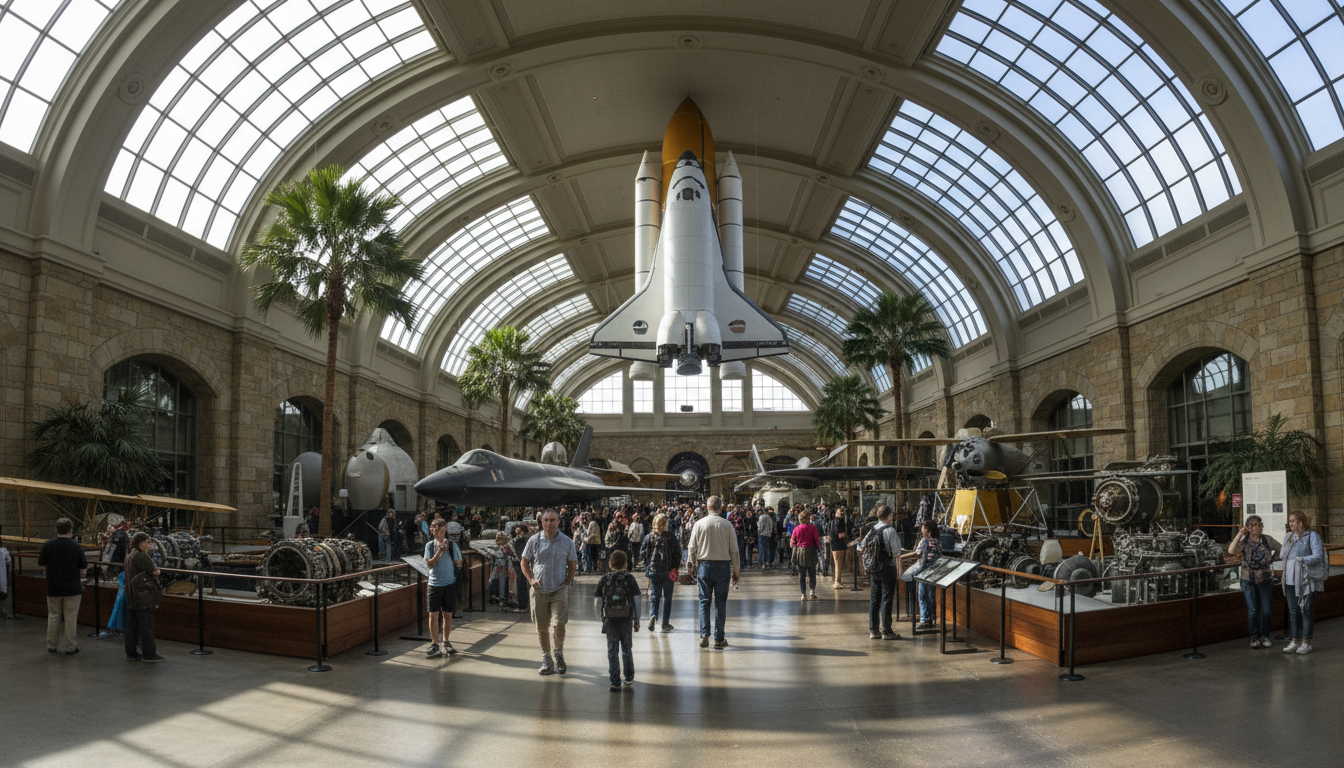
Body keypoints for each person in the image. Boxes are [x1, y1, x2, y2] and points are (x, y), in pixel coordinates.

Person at [521, 509, 578, 675]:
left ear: (558, 522)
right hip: (539, 589)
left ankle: (558, 653)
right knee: (542, 626)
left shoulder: (567, 542)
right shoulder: (534, 540)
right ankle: (546, 658)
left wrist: (568, 580)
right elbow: (524, 562)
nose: (549, 523)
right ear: (542, 522)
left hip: (559, 589)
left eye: (553, 520)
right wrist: (531, 579)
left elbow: (572, 563)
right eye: (546, 520)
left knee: (559, 624)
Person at [686, 495, 740, 648]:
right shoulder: (727, 525)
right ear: (721, 507)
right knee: (720, 603)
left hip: (704, 566)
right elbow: (734, 551)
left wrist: (691, 566)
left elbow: (692, 548)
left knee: (704, 602)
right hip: (723, 566)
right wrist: (736, 572)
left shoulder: (699, 524)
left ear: (707, 508)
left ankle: (704, 635)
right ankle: (719, 638)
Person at [1228, 514, 1280, 649]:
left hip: (1264, 579)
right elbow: (1231, 550)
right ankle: (1254, 637)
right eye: (1256, 525)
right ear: (1250, 528)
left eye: (1260, 524)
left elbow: (1281, 548)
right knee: (1252, 609)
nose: (1259, 527)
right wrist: (1239, 534)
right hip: (1248, 579)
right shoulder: (1244, 541)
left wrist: (1272, 559)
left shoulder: (1267, 540)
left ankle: (1266, 636)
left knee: (1266, 609)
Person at [37, 518, 87, 655]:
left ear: (56, 529)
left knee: (53, 616)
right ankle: (70, 646)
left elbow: (41, 563)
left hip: (53, 586)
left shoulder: (48, 545)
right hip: (72, 587)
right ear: (71, 529)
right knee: (70, 617)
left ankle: (51, 644)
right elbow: (83, 568)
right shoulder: (76, 546)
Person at [594, 549, 641, 691]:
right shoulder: (630, 578)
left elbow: (597, 600)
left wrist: (601, 619)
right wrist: (637, 620)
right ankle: (628, 676)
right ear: (625, 563)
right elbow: (637, 600)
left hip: (610, 618)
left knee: (612, 650)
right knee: (627, 649)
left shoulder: (604, 579)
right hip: (626, 618)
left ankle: (614, 681)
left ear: (610, 563)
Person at [1280, 510, 1326, 655]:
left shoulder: (1312, 536)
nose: (1290, 523)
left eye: (1293, 521)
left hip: (1305, 578)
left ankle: (1306, 641)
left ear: (1300, 522)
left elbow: (1318, 555)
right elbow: (1283, 555)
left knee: (1305, 609)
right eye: (1290, 521)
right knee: (1293, 610)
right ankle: (1294, 640)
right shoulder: (1288, 536)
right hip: (1289, 578)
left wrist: (1303, 560)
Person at [860, 505, 902, 640]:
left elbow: (861, 547)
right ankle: (887, 631)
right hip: (887, 568)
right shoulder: (890, 530)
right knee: (886, 599)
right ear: (889, 516)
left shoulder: (872, 529)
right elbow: (896, 552)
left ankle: (874, 630)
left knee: (874, 599)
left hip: (873, 568)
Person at [424, 518, 464, 659]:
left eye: (440, 530)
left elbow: (459, 562)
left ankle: (446, 641)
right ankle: (434, 643)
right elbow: (430, 564)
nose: (437, 533)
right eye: (434, 530)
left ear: (444, 530)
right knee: (433, 614)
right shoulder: (429, 546)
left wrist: (458, 563)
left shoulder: (453, 546)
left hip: (449, 583)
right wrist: (439, 552)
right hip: (434, 584)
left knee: (447, 614)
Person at [124, 532, 164, 662]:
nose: (150, 545)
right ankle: (149, 653)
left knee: (132, 625)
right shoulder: (141, 556)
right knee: (146, 625)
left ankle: (131, 652)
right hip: (142, 596)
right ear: (141, 543)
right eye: (148, 542)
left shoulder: (130, 555)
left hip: (131, 594)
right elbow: (155, 571)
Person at [640, 512, 682, 632]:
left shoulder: (649, 537)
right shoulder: (670, 537)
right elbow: (677, 553)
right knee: (668, 597)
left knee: (655, 595)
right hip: (668, 570)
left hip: (654, 570)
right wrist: (676, 566)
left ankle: (653, 615)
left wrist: (648, 563)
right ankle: (665, 623)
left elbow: (643, 553)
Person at [911, 520, 942, 628]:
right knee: (931, 596)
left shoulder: (924, 541)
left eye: (923, 528)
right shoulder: (937, 542)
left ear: (927, 530)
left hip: (923, 572)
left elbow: (918, 553)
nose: (921, 529)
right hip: (933, 572)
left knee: (922, 596)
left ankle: (924, 619)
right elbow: (939, 556)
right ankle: (932, 618)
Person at [791, 510, 821, 600]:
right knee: (812, 573)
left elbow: (792, 542)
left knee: (802, 574)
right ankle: (812, 591)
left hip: (800, 552)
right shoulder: (813, 528)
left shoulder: (796, 529)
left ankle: (803, 594)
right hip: (811, 551)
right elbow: (817, 539)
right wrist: (819, 549)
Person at [509, 521, 532, 613]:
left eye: (518, 528)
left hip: (519, 563)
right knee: (523, 583)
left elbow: (519, 553)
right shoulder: (526, 539)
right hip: (525, 563)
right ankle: (523, 604)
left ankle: (521, 605)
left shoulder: (520, 540)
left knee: (521, 583)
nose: (516, 529)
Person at [828, 507, 853, 589]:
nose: (841, 514)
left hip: (837, 543)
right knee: (838, 563)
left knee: (839, 563)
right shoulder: (838, 522)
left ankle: (837, 580)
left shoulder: (840, 522)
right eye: (840, 513)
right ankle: (837, 581)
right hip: (838, 544)